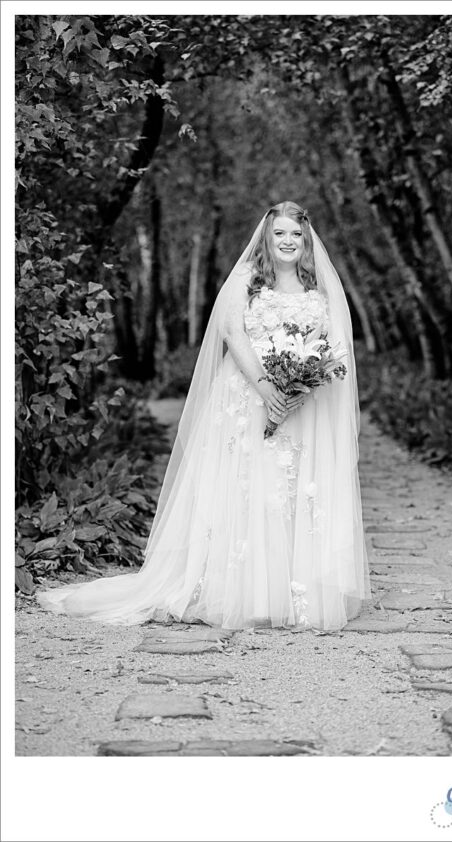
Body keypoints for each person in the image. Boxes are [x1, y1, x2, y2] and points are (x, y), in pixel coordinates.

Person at [37, 201, 370, 630]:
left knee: (293, 489)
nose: (288, 242)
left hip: (301, 402)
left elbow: (331, 343)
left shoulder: (317, 287)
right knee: (252, 486)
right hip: (249, 396)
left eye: (296, 235)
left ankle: (290, 588)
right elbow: (233, 333)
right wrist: (268, 388)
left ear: (306, 241)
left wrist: (303, 385)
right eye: (280, 234)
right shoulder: (248, 280)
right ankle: (241, 591)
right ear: (267, 239)